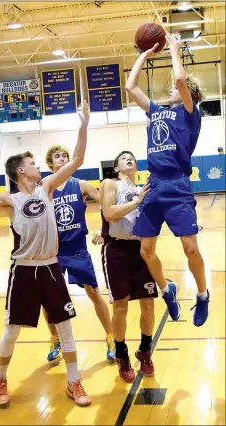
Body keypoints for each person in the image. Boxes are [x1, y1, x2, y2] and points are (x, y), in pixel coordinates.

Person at [0, 101, 91, 408]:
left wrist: (83, 125)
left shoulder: (48, 186)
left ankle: (73, 381)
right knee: (12, 330)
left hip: (51, 267)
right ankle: (0, 378)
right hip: (24, 270)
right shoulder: (8, 199)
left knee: (65, 326)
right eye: (32, 162)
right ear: (21, 171)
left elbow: (78, 158)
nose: (38, 166)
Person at [125, 32, 209, 326]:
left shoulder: (189, 113)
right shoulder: (156, 112)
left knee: (191, 249)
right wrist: (144, 55)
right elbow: (130, 86)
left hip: (177, 185)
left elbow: (181, 81)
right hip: (154, 184)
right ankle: (167, 288)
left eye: (176, 90)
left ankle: (202, 295)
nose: (171, 90)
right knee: (146, 251)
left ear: (190, 98)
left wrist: (174, 48)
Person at [42, 144, 115, 363]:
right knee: (48, 299)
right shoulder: (45, 187)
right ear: (50, 163)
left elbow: (107, 204)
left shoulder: (81, 185)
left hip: (77, 250)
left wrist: (103, 231)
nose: (62, 158)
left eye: (65, 155)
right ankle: (55, 337)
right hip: (53, 252)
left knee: (94, 293)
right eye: (57, 156)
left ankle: (111, 337)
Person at [98, 150, 158, 382]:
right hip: (116, 250)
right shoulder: (110, 184)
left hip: (140, 250)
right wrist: (138, 201)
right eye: (124, 157)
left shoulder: (143, 189)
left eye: (131, 157)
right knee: (121, 307)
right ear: (116, 167)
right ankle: (122, 353)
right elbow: (110, 213)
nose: (129, 159)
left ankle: (145, 350)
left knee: (149, 305)